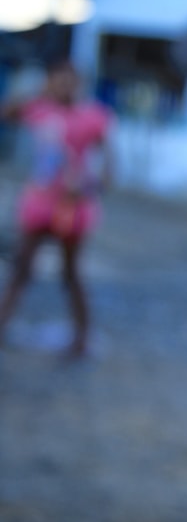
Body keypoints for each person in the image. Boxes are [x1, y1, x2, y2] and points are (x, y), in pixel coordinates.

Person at [0, 59, 112, 358]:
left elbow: (110, 169)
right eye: (57, 80)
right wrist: (37, 92)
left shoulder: (93, 117)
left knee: (71, 273)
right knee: (21, 268)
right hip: (39, 203)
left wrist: (87, 188)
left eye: (69, 80)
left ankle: (82, 338)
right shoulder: (39, 109)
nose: (63, 86)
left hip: (72, 207)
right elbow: (7, 111)